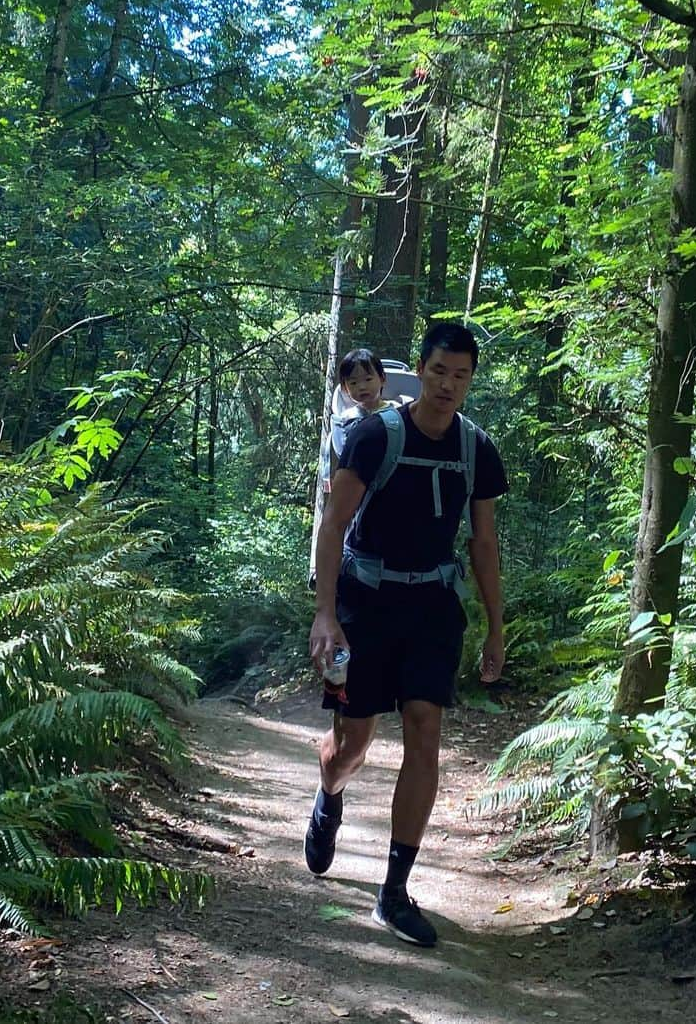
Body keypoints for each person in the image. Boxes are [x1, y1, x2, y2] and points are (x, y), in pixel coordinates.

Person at [305, 321, 508, 948]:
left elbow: (483, 542)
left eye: (462, 375)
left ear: (471, 380)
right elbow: (334, 525)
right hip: (367, 604)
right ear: (419, 371)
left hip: (431, 608)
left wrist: (497, 628)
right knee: (353, 746)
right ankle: (328, 792)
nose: (449, 386)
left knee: (425, 731)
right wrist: (326, 613)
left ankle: (394, 892)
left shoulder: (477, 451)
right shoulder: (372, 436)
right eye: (440, 372)